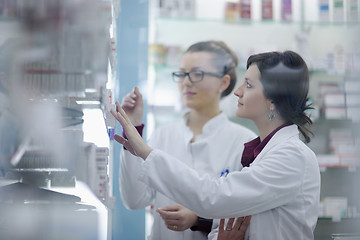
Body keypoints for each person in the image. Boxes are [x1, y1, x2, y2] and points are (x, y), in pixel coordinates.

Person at [112, 50, 321, 240]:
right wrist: (202, 223)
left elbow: (214, 196)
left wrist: (146, 152)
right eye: (182, 74)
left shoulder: (290, 156)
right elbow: (233, 223)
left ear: (273, 100)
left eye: (248, 85)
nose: (238, 92)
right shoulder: (263, 151)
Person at [118, 40, 256, 240]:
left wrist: (199, 219)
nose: (186, 82)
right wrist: (133, 129)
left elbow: (246, 218)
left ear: (223, 82)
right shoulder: (162, 135)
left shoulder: (244, 142)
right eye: (182, 74)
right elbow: (134, 200)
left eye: (197, 74)